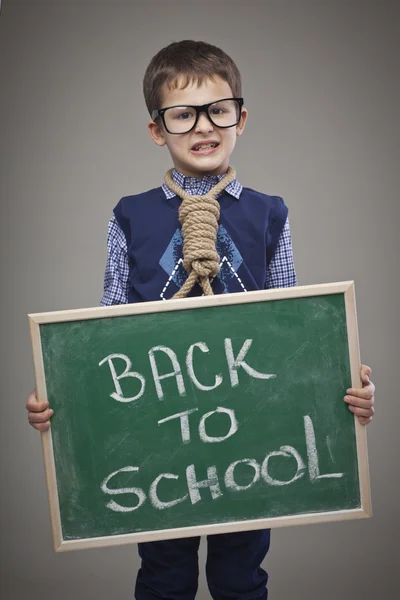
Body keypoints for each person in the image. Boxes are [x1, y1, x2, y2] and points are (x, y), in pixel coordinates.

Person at [26, 40, 375, 600]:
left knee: (241, 578)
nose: (203, 126)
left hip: (252, 440)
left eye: (218, 109)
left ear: (241, 116)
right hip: (156, 443)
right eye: (182, 114)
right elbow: (103, 331)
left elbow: (292, 327)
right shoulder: (130, 216)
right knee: (164, 578)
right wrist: (61, 400)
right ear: (157, 130)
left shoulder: (269, 213)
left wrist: (342, 379)